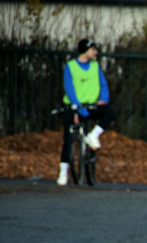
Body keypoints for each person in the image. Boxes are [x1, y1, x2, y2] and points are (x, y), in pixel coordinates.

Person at [58, 38, 116, 185]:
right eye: (93, 49)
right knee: (68, 139)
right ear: (85, 50)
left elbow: (103, 85)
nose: (95, 52)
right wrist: (78, 106)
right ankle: (63, 172)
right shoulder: (70, 67)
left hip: (91, 106)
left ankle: (93, 135)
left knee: (111, 111)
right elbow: (69, 89)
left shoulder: (95, 66)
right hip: (74, 107)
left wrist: (103, 99)